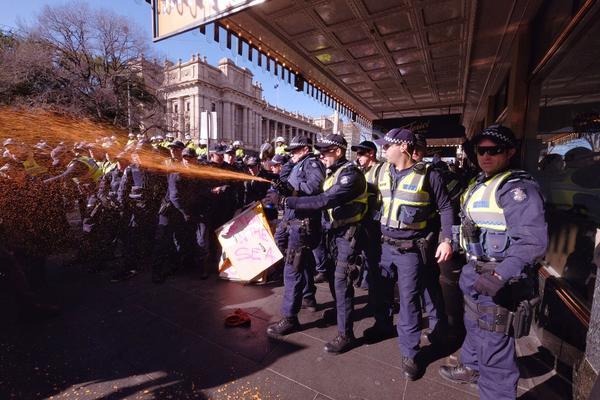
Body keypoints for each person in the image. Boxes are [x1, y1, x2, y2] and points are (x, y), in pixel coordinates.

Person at [439, 125, 547, 400]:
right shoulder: (481, 181)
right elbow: (466, 221)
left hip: (497, 278)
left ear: (510, 152)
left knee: (495, 348)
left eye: (494, 150)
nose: (485, 156)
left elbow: (532, 242)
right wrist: (448, 240)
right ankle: (471, 367)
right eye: (481, 150)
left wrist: (499, 276)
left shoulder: (516, 188)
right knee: (474, 326)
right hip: (474, 269)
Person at [364, 128, 453, 380]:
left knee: (409, 301)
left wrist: (446, 240)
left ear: (402, 147)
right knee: (380, 291)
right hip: (384, 246)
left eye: (387, 146)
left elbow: (445, 207)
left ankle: (410, 353)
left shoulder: (428, 174)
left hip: (410, 250)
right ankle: (382, 326)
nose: (383, 149)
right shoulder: (382, 171)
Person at [279, 133, 369, 354]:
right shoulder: (333, 171)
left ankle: (346, 334)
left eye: (325, 152)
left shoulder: (350, 174)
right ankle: (341, 316)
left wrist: (288, 201)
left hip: (347, 235)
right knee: (332, 278)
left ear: (337, 152)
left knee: (341, 281)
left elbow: (325, 200)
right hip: (333, 234)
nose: (321, 156)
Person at [266, 135, 325, 338]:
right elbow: (283, 181)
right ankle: (308, 297)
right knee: (303, 262)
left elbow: (316, 187)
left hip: (303, 223)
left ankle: (290, 317)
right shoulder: (297, 164)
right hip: (294, 221)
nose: (291, 154)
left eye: (295, 151)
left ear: (305, 149)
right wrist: (289, 166)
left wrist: (293, 190)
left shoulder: (312, 164)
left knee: (292, 269)